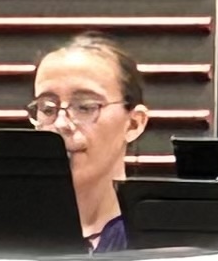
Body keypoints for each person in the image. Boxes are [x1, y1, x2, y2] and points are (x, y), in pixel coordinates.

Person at [30, 30, 149, 247]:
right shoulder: (6, 233)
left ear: (134, 124)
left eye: (85, 107)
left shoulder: (163, 242)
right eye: (47, 109)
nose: (61, 124)